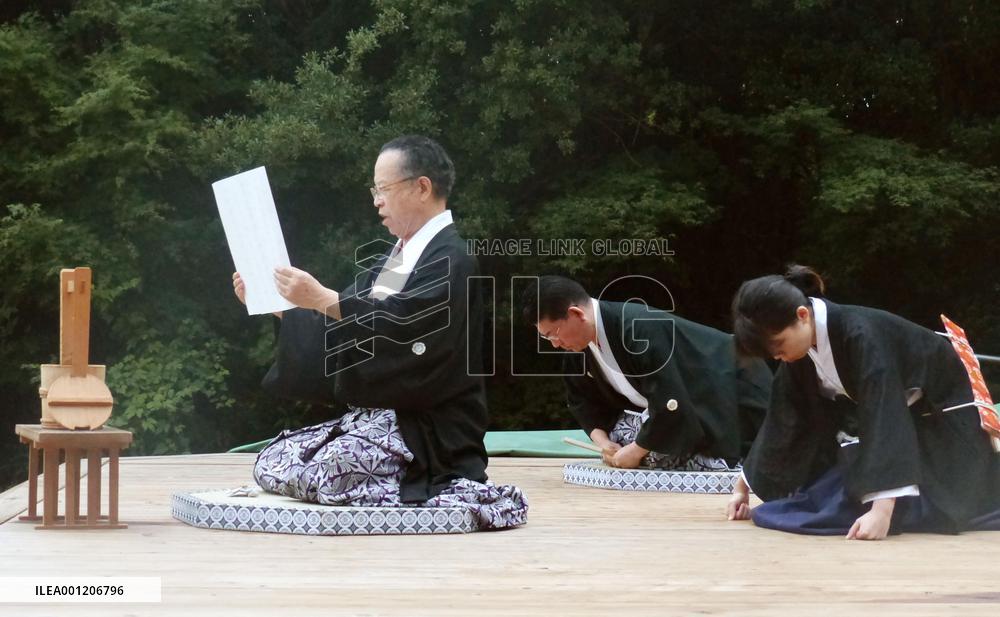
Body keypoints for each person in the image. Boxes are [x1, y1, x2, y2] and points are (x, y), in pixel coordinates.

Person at [232, 135, 526, 530]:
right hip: (375, 423)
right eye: (375, 190)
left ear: (422, 187)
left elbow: (403, 327)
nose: (376, 201)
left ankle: (412, 483)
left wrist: (323, 298)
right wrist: (280, 305)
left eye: (383, 189)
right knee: (273, 459)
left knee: (329, 472)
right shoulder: (392, 260)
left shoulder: (453, 258)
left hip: (429, 434)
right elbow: (343, 327)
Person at [726, 265, 1000, 540]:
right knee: (817, 498)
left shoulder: (862, 335)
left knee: (842, 505)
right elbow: (785, 417)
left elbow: (886, 414)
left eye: (779, 346)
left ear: (802, 316)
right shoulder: (800, 349)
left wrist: (882, 512)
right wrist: (743, 487)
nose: (777, 357)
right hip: (906, 432)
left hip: (947, 430)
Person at [521, 275, 771, 470]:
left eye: (553, 333)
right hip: (672, 411)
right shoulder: (578, 349)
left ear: (576, 314)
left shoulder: (639, 329)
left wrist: (637, 450)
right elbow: (582, 401)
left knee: (652, 448)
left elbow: (670, 400)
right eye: (547, 338)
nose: (554, 343)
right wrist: (604, 443)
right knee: (622, 434)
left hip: (734, 392)